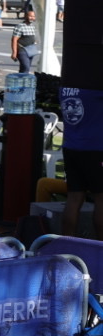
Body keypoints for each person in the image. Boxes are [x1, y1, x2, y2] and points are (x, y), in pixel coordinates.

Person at [60, 86, 103, 239]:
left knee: (74, 197)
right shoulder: (94, 89)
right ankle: (100, 247)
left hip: (71, 147)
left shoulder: (65, 88)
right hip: (96, 147)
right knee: (101, 198)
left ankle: (67, 242)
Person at [12, 7, 39, 74]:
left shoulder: (33, 26)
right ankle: (22, 81)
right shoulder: (20, 26)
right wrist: (14, 53)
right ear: (26, 16)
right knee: (25, 67)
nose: (32, 18)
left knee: (25, 69)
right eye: (30, 16)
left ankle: (21, 82)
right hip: (22, 50)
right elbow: (14, 40)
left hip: (31, 50)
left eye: (33, 16)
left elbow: (34, 37)